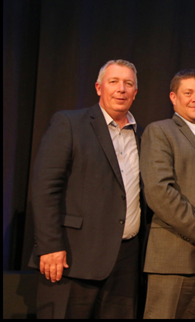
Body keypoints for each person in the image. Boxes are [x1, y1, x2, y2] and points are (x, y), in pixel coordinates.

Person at [28, 59, 144, 318]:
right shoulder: (69, 123)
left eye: (128, 84)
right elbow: (45, 187)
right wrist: (49, 246)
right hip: (73, 258)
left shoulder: (143, 136)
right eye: (113, 82)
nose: (121, 89)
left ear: (136, 92)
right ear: (98, 87)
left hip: (125, 264)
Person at [140, 69, 195, 319]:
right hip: (173, 257)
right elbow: (158, 190)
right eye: (188, 93)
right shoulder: (160, 131)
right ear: (173, 97)